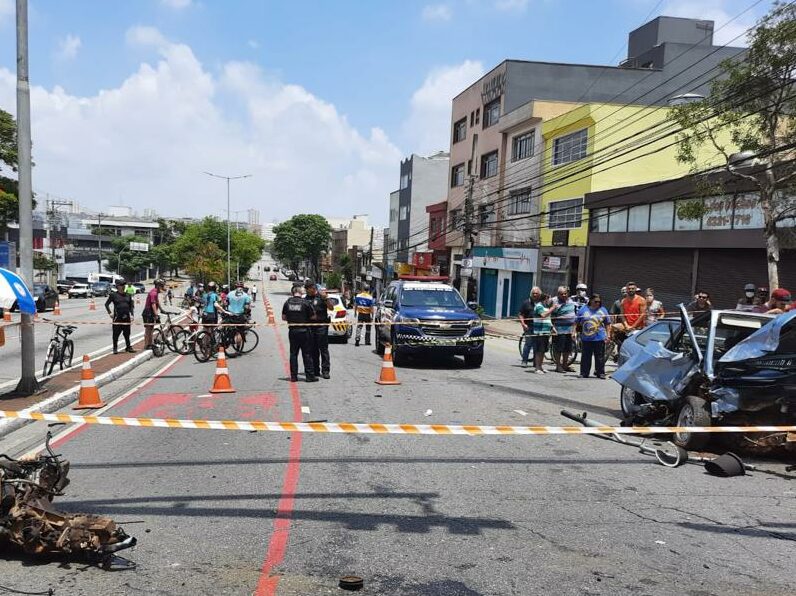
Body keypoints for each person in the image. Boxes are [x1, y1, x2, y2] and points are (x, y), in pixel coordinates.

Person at [282, 284, 318, 382]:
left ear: (292, 293)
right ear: (301, 293)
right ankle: (310, 376)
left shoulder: (287, 302)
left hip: (293, 331)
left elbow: (284, 317)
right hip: (304, 331)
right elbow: (313, 317)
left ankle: (293, 377)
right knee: (307, 354)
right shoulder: (305, 303)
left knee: (293, 354)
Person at [577, 294, 609, 379]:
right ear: (591, 301)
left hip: (599, 337)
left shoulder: (603, 310)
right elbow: (576, 321)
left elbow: (607, 323)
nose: (597, 303)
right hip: (586, 337)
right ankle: (584, 373)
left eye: (599, 302)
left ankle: (600, 372)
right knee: (586, 356)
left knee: (600, 357)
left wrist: (608, 335)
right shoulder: (583, 309)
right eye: (595, 301)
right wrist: (573, 332)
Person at [305, 281, 331, 379]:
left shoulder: (322, 297)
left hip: (322, 326)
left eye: (309, 290)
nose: (308, 292)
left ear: (313, 288)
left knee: (323, 349)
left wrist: (326, 299)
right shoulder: (306, 299)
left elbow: (331, 308)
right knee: (313, 350)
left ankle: (325, 371)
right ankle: (316, 370)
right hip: (311, 327)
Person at [550, 286, 577, 373]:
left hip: (569, 329)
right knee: (558, 349)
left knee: (567, 349)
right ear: (558, 294)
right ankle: (558, 366)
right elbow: (549, 316)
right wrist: (552, 327)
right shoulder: (554, 301)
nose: (564, 295)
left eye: (565, 293)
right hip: (559, 329)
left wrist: (574, 329)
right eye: (562, 294)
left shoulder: (571, 301)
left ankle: (565, 365)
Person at [105, 278, 135, 354]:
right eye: (121, 285)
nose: (123, 286)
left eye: (124, 285)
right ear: (117, 286)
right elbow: (106, 304)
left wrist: (132, 315)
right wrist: (110, 313)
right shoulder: (113, 295)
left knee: (127, 333)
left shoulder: (128, 295)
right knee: (116, 334)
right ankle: (115, 348)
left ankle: (128, 347)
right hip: (117, 317)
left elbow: (131, 306)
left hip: (127, 317)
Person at [225, 281, 253, 351]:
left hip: (230, 315)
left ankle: (228, 339)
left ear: (235, 287)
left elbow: (225, 303)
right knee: (239, 332)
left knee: (229, 329)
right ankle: (238, 349)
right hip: (239, 316)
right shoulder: (245, 296)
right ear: (242, 287)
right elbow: (246, 307)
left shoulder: (230, 294)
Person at [142, 279, 165, 349]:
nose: (163, 287)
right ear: (158, 286)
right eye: (161, 285)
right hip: (148, 312)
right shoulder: (153, 293)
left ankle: (150, 343)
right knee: (148, 329)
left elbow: (157, 302)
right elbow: (153, 304)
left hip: (151, 312)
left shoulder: (156, 292)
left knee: (151, 328)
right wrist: (156, 314)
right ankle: (146, 345)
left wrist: (161, 310)